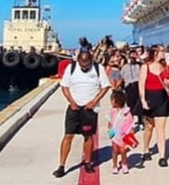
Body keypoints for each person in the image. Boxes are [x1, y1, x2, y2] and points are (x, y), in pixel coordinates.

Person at [55, 48, 110, 178]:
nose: (84, 67)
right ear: (78, 61)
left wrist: (94, 101)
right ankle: (61, 165)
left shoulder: (98, 69)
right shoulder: (72, 68)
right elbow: (64, 86)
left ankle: (88, 162)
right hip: (74, 107)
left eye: (86, 64)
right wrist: (71, 101)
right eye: (82, 64)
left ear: (91, 60)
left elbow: (105, 86)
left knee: (88, 136)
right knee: (68, 135)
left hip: (90, 109)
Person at [139, 46, 169, 166]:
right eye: (162, 51)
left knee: (160, 128)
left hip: (162, 99)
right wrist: (143, 100)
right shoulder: (145, 66)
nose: (164, 53)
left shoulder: (165, 67)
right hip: (149, 98)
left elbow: (167, 82)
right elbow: (141, 84)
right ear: (155, 53)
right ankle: (146, 149)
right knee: (149, 126)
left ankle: (162, 157)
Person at [106, 89, 136, 175]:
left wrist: (131, 129)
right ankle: (114, 165)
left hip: (122, 134)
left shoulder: (126, 112)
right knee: (114, 150)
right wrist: (109, 125)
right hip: (114, 132)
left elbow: (131, 121)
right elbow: (110, 119)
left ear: (117, 101)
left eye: (112, 100)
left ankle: (124, 163)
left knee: (123, 150)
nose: (111, 102)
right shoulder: (112, 111)